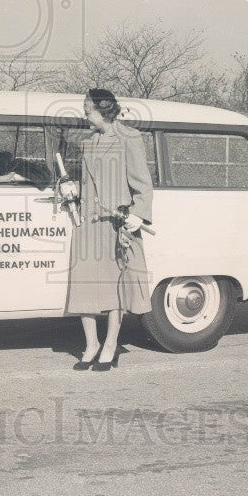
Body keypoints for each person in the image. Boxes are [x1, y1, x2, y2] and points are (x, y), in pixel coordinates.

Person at [62, 89, 153, 371]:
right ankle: (91, 344)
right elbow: (88, 184)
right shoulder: (89, 142)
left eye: (88, 109)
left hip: (117, 225)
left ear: (104, 110)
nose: (85, 114)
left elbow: (142, 183)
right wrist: (70, 188)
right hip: (88, 224)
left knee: (116, 286)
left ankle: (111, 344)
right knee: (84, 285)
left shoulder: (129, 138)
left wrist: (139, 215)